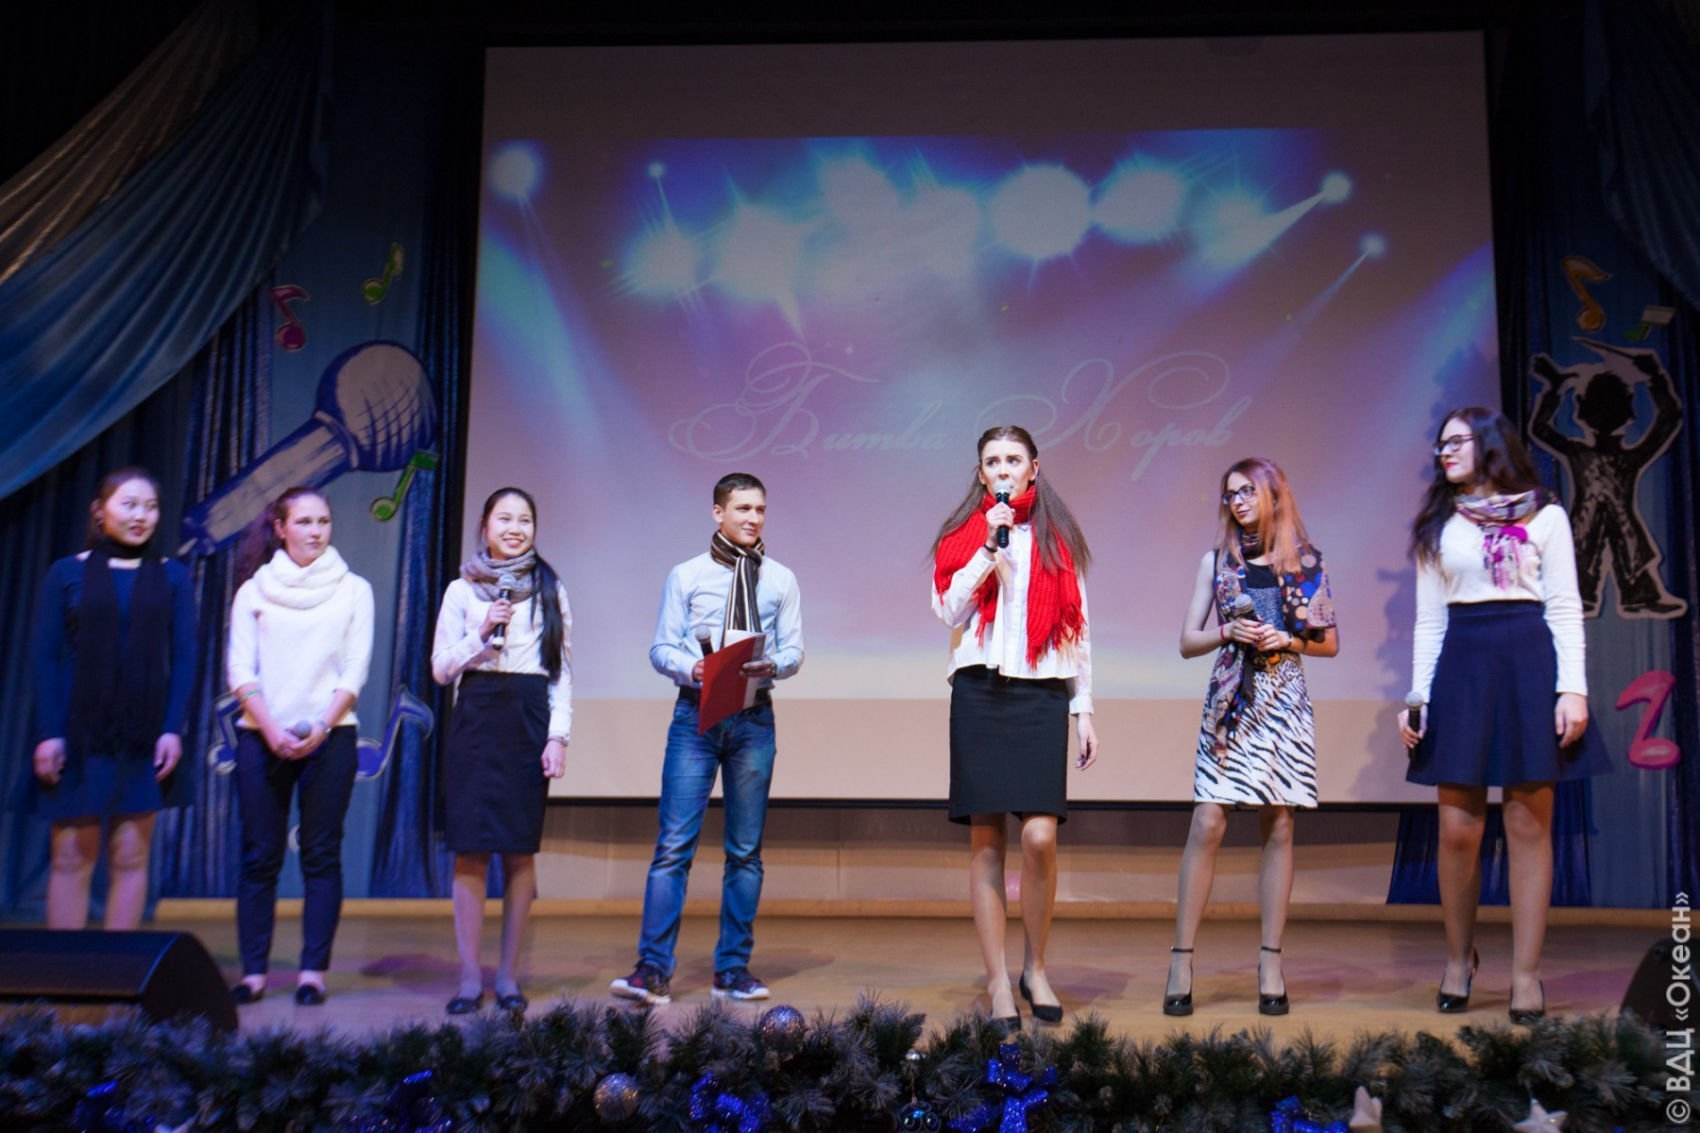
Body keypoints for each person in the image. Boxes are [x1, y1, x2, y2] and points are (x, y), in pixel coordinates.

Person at [1400, 407, 1610, 1024]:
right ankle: (1458, 959)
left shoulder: (1544, 515)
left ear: (1490, 444)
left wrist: (1572, 690)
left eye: (1456, 441)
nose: (1444, 452)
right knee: (1457, 829)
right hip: (1463, 666)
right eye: (1440, 444)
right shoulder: (1439, 524)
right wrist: (1417, 697)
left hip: (1528, 663)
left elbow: (1564, 605)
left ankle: (1525, 974)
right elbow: (1429, 619)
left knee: (1527, 825)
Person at [611, 472, 803, 1006]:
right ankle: (652, 969)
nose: (753, 518)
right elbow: (660, 648)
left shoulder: (780, 579)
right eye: (743, 508)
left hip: (753, 717)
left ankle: (732, 970)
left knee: (745, 851)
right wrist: (692, 668)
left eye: (760, 509)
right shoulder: (687, 575)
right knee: (673, 847)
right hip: (695, 716)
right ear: (718, 513)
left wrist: (773, 664)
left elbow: (794, 650)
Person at [930, 425, 1098, 1029]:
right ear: (981, 473)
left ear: (1033, 468)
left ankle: (1037, 967)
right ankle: (999, 982)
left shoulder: (1058, 539)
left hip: (1041, 693)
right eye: (992, 461)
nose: (1003, 469)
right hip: (980, 691)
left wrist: (1083, 710)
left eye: (1013, 459)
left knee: (1040, 837)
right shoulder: (963, 535)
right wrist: (986, 549)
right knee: (987, 843)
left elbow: (1078, 630)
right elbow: (948, 610)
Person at [1163, 458, 1338, 1018]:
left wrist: (1288, 639)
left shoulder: (1305, 561)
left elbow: (1329, 643)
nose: (1237, 502)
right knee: (1207, 820)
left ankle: (1270, 961)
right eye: (1230, 494)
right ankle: (1181, 960)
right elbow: (1187, 642)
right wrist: (1227, 630)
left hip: (1283, 700)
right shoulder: (1216, 561)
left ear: (1273, 495)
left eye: (1246, 491)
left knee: (1279, 824)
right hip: (1232, 698)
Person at [26, 468, 195, 930]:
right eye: (129, 504)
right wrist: (50, 733)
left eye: (151, 507)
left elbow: (184, 657)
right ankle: (65, 967)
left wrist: (171, 729)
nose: (141, 516)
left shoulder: (172, 576)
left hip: (142, 734)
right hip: (80, 733)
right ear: (100, 511)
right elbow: (45, 656)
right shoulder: (67, 572)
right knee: (72, 855)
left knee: (131, 854)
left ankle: (118, 966)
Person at [227, 487, 374, 1006]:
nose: (315, 531)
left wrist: (321, 726)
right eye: (305, 521)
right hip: (259, 736)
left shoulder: (353, 589)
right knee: (260, 856)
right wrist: (270, 729)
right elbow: (240, 668)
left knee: (321, 854)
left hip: (331, 737)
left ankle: (313, 973)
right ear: (280, 528)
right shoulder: (254, 591)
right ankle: (253, 974)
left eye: (323, 521)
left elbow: (355, 669)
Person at [432, 487, 571, 1015]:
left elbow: (562, 671)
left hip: (528, 718)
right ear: (485, 526)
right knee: (470, 850)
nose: (515, 528)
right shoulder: (461, 591)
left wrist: (558, 736)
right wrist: (482, 632)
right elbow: (440, 668)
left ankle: (509, 977)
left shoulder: (550, 589)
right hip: (477, 717)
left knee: (519, 851)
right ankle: (470, 979)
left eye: (525, 519)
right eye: (505, 519)